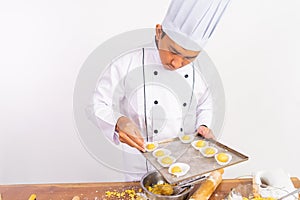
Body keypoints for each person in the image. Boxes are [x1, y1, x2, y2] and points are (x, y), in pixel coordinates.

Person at [92, 0, 230, 181]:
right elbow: (98, 102)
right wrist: (118, 122)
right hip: (140, 168)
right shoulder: (126, 62)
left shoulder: (201, 71)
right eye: (173, 51)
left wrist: (203, 126)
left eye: (188, 58)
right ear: (159, 32)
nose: (177, 63)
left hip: (187, 168)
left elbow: (205, 102)